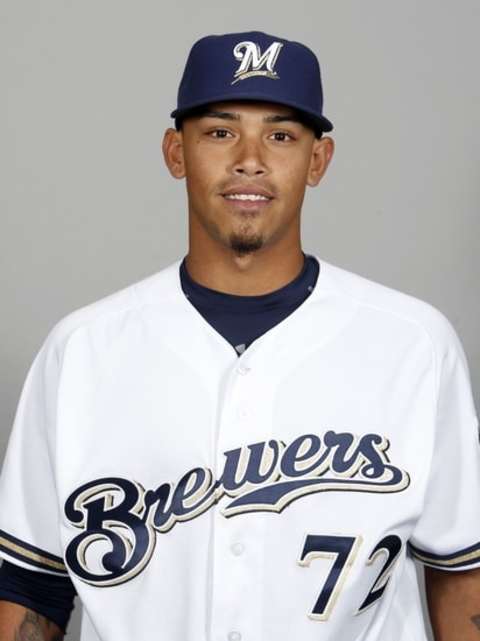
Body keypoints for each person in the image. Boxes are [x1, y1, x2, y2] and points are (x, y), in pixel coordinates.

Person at [0, 29, 479, 641]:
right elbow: (31, 584)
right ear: (177, 153)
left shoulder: (414, 345)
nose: (249, 158)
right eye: (220, 132)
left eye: (280, 135)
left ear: (318, 160)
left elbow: (462, 574)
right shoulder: (82, 352)